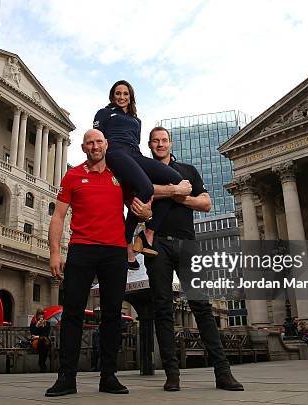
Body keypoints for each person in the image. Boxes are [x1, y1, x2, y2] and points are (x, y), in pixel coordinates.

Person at [45, 129, 151, 397]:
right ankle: (66, 378)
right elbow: (58, 217)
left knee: (113, 314)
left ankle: (109, 376)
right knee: (72, 313)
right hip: (82, 249)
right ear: (83, 148)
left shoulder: (120, 176)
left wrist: (147, 212)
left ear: (106, 145)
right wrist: (54, 252)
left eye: (99, 142)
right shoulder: (72, 176)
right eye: (90, 142)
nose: (95, 146)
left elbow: (140, 207)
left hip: (115, 252)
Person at [142, 126, 244, 392]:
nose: (161, 144)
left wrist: (179, 195)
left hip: (187, 243)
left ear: (170, 144)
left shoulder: (188, 170)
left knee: (202, 306)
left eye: (164, 140)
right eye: (156, 141)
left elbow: (206, 204)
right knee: (163, 308)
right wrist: (172, 191)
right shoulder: (143, 171)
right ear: (150, 145)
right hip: (157, 244)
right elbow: (141, 202)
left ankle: (223, 373)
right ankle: (172, 375)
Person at [93, 80, 191, 267]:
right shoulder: (104, 113)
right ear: (112, 96)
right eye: (118, 93)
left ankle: (148, 232)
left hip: (135, 154)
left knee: (177, 180)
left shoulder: (136, 120)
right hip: (115, 152)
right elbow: (98, 140)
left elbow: (135, 143)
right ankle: (126, 241)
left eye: (125, 94)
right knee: (145, 187)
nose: (121, 97)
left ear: (130, 97)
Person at [30, 308, 51, 372]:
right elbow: (33, 333)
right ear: (37, 315)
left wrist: (43, 326)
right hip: (37, 341)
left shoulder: (47, 323)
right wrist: (37, 326)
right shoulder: (34, 323)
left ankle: (41, 363)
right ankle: (42, 364)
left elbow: (46, 334)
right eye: (39, 314)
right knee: (42, 343)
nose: (41, 316)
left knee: (44, 343)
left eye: (42, 314)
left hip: (44, 340)